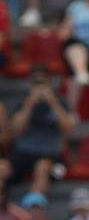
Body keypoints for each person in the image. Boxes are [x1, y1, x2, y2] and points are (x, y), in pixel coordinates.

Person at [2, 65, 76, 196]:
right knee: (2, 168)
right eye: (36, 82)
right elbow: (16, 130)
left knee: (42, 167)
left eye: (43, 82)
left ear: (50, 82)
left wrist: (52, 102)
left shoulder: (61, 103)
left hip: (51, 153)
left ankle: (33, 209)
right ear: (30, 82)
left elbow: (69, 128)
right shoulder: (23, 103)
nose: (40, 86)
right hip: (24, 152)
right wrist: (30, 103)